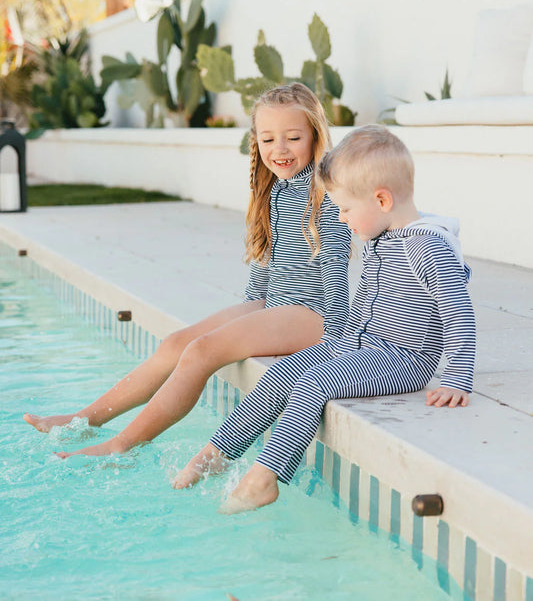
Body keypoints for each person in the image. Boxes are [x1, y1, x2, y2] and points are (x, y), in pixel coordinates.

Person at [23, 83, 352, 458]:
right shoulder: (273, 189)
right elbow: (265, 266)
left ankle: (121, 445)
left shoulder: (324, 193)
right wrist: (244, 314)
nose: (279, 149)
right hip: (274, 302)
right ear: (255, 142)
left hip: (315, 313)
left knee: (201, 351)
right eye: (268, 139)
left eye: (293, 137)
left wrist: (337, 339)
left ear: (315, 136)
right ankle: (85, 420)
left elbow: (335, 267)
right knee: (175, 344)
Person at [173, 124, 476, 513]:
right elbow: (367, 302)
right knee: (282, 372)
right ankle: (217, 452)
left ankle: (265, 477)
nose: (342, 219)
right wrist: (338, 341)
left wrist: (457, 377)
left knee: (315, 382)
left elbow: (459, 313)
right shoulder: (381, 236)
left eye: (346, 209)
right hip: (357, 345)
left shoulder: (429, 248)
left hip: (404, 359)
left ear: (382, 200)